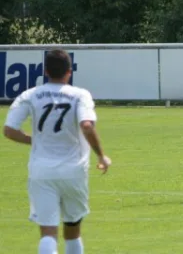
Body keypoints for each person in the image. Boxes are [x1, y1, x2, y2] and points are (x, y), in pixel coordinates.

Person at [3, 49, 111, 254]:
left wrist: (35, 140)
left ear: (45, 71)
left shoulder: (29, 95)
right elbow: (87, 126)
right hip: (74, 171)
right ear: (69, 72)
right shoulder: (80, 95)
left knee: (48, 233)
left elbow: (9, 131)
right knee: (72, 230)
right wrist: (101, 155)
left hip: (41, 171)